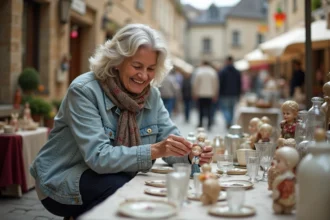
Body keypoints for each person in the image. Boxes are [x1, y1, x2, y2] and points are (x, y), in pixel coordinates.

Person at [29, 24, 213, 219]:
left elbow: (169, 139)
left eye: (151, 68)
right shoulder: (84, 90)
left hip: (114, 175)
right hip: (63, 180)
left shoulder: (152, 95)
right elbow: (98, 157)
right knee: (124, 191)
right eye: (137, 66)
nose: (144, 76)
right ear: (117, 61)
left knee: (141, 190)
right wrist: (155, 150)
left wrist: (190, 154)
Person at [192, 61, 219, 131]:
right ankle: (209, 124)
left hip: (200, 94)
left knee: (200, 109)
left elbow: (195, 83)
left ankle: (200, 123)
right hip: (210, 94)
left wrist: (194, 93)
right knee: (210, 109)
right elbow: (216, 84)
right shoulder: (213, 72)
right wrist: (215, 94)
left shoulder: (198, 71)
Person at [218, 56, 241, 129]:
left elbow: (220, 83)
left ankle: (228, 121)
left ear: (226, 61)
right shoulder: (237, 72)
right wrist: (238, 93)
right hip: (234, 94)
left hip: (224, 94)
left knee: (225, 109)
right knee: (231, 109)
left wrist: (219, 93)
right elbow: (239, 84)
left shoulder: (223, 71)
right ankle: (230, 121)